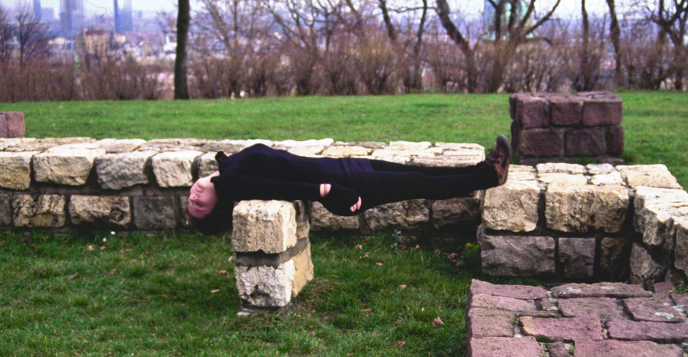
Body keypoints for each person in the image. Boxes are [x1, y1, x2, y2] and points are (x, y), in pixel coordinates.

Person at [188, 135, 511, 236]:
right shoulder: (234, 184)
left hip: (346, 168)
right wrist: (328, 191)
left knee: (418, 172)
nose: (194, 197)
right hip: (349, 184)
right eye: (200, 206)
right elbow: (283, 188)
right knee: (420, 183)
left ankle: (482, 169)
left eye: (191, 201)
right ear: (220, 204)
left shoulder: (226, 170)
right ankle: (489, 177)